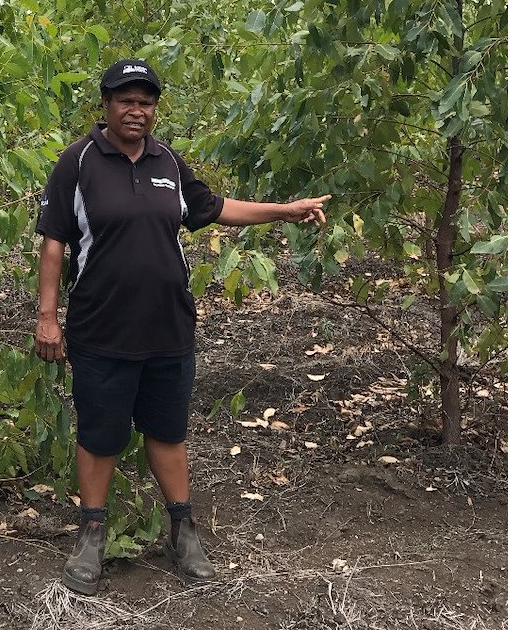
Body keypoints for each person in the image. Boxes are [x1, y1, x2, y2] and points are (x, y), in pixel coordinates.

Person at [33, 58, 330, 595]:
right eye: (126, 99)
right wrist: (47, 316)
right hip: (101, 331)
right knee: (100, 437)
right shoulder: (77, 163)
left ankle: (182, 530)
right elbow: (54, 242)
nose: (136, 110)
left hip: (169, 329)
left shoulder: (167, 161)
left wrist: (284, 211)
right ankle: (92, 536)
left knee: (167, 433)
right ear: (106, 104)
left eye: (146, 102)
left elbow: (214, 208)